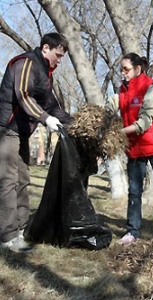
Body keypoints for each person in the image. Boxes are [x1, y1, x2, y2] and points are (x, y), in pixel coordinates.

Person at [0, 32, 73, 253]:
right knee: (8, 182)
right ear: (45, 49)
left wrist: (75, 123)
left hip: (22, 133)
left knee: (23, 179)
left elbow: (52, 106)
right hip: (6, 130)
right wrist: (45, 119)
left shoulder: (45, 74)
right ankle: (7, 236)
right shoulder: (25, 63)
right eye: (58, 55)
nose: (59, 61)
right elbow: (23, 96)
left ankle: (20, 229)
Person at [106, 52, 153, 245]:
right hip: (136, 147)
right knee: (134, 190)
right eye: (121, 69)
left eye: (126, 69)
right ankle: (132, 231)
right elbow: (114, 103)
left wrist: (118, 133)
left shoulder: (152, 89)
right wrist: (103, 115)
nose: (123, 73)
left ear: (138, 69)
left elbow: (143, 123)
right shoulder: (123, 90)